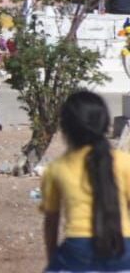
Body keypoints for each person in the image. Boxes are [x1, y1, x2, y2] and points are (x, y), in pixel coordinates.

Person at [40, 91, 130, 271]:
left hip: (77, 251)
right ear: (105, 123)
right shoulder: (124, 162)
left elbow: (51, 222)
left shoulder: (57, 168)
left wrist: (53, 262)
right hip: (123, 249)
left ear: (66, 129)